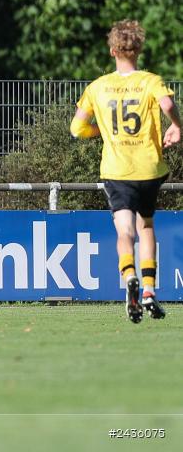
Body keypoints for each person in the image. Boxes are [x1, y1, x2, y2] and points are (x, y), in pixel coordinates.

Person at [71, 19, 181, 323]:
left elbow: (77, 128)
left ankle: (129, 274)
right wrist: (176, 125)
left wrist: (102, 132)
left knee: (125, 230)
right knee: (146, 226)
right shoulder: (150, 80)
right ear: (139, 49)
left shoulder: (98, 86)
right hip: (148, 167)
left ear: (111, 50)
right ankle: (148, 290)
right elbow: (168, 104)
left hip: (116, 169)